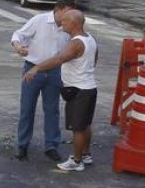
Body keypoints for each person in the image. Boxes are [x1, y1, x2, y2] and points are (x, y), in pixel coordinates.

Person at [25, 10, 97, 172]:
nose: (61, 24)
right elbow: (94, 60)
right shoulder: (90, 39)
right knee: (85, 124)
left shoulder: (75, 43)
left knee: (77, 127)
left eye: (65, 22)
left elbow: (58, 59)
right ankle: (86, 154)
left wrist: (36, 68)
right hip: (89, 86)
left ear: (74, 24)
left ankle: (77, 161)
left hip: (79, 90)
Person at [12, 0, 77, 162]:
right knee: (27, 108)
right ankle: (22, 144)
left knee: (52, 109)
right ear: (59, 9)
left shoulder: (69, 27)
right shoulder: (39, 20)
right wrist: (19, 47)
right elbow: (18, 35)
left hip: (55, 72)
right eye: (68, 12)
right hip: (32, 69)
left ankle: (51, 145)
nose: (70, 16)